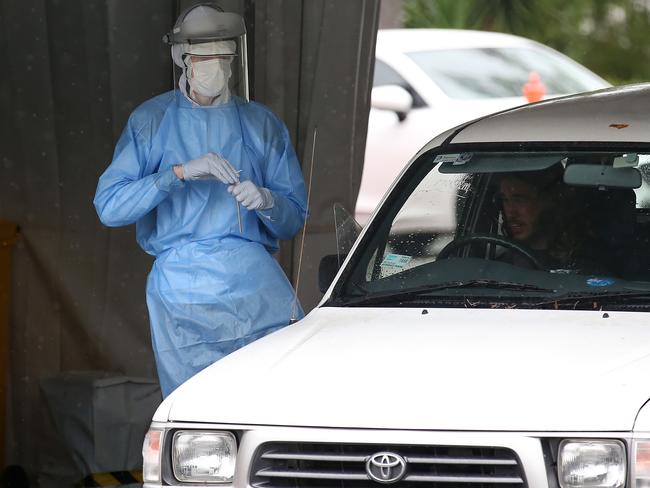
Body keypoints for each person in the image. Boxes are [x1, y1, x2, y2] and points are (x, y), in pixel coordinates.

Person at [93, 3, 308, 397]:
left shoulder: (261, 124)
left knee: (277, 399)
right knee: (197, 412)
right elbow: (109, 206)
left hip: (255, 287)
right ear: (184, 59)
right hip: (183, 291)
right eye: (206, 59)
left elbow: (294, 219)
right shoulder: (152, 121)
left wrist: (267, 201)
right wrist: (176, 174)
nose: (217, 69)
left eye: (225, 59)